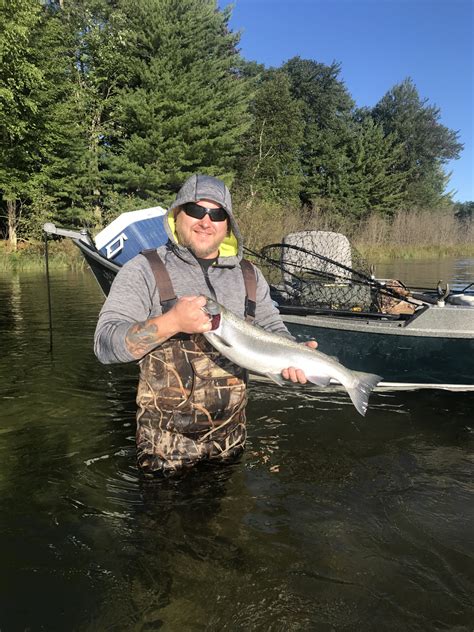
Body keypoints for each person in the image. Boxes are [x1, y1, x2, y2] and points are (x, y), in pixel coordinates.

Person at [94, 174, 316, 476]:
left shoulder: (250, 276)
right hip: (164, 451)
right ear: (177, 215)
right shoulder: (144, 270)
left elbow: (273, 327)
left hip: (230, 444)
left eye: (217, 213)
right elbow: (105, 344)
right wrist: (172, 321)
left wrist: (294, 354)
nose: (205, 221)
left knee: (229, 522)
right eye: (196, 210)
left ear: (228, 225)